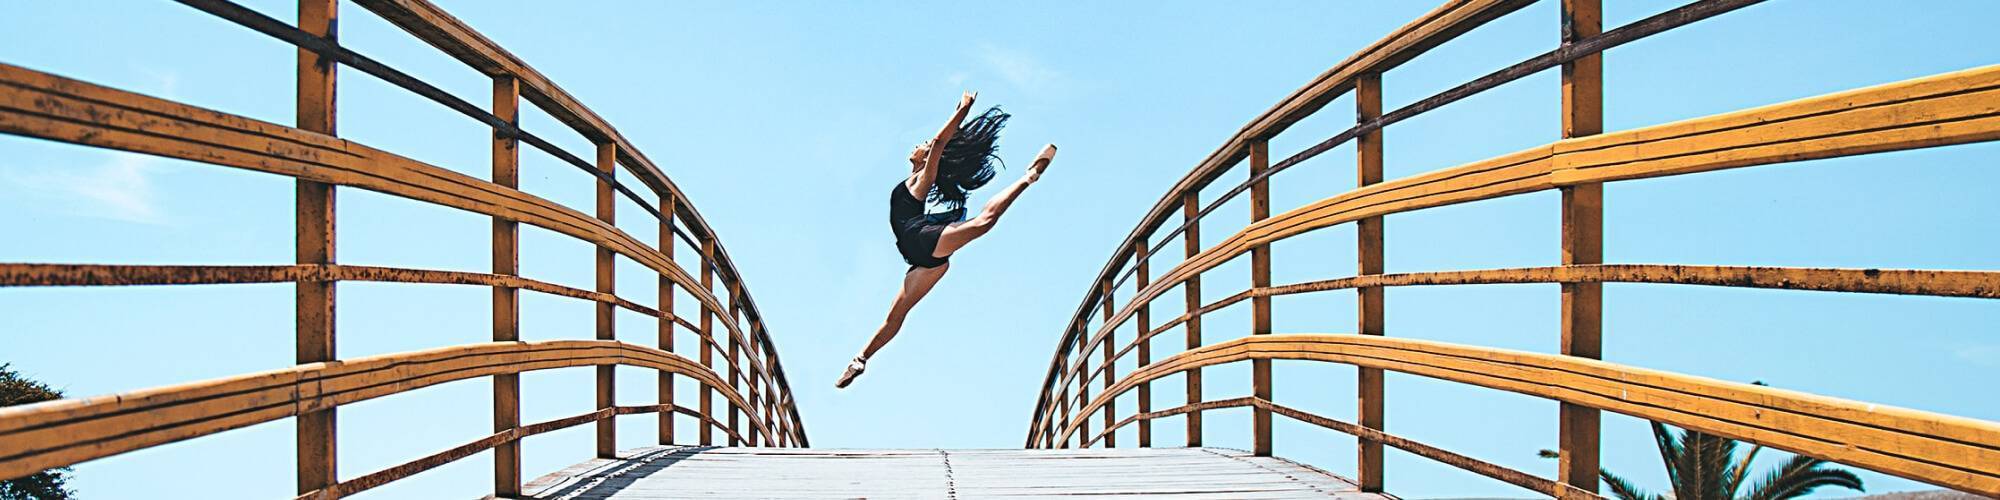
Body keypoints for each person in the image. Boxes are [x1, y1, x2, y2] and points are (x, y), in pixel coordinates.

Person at [836, 91, 1057, 388]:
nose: (919, 144)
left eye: (924, 145)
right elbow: (940, 142)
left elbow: (940, 143)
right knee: (895, 316)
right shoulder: (915, 177)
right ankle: (860, 359)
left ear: (928, 157)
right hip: (922, 259)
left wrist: (963, 110)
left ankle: (1029, 177)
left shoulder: (921, 180)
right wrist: (957, 117)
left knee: (982, 223)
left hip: (920, 238)